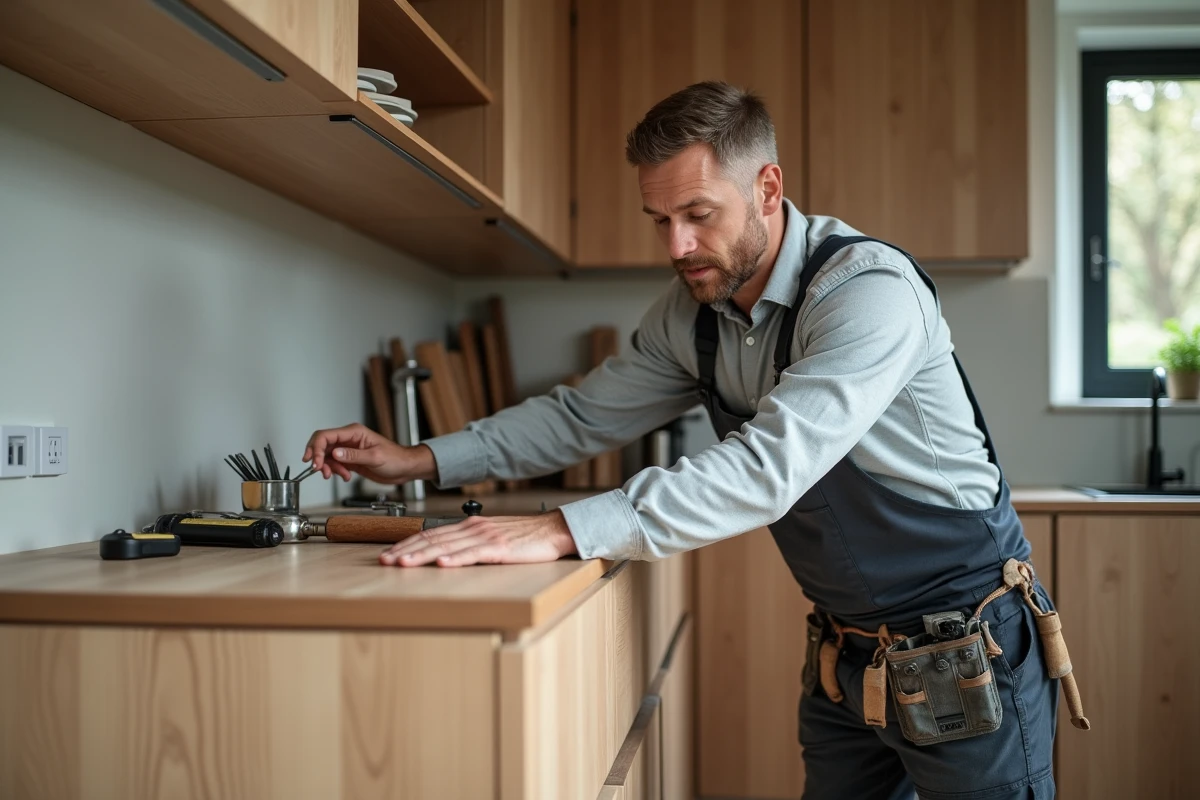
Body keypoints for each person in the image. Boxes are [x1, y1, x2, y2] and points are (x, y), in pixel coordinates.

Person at [305, 81, 1062, 799]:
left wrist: (559, 527)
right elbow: (581, 416)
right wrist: (419, 458)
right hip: (847, 653)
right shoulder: (691, 313)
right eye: (660, 220)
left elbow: (769, 469)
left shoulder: (868, 294)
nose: (677, 245)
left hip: (968, 645)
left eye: (698, 214)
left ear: (767, 188)